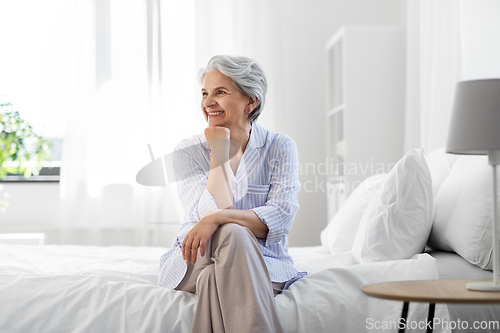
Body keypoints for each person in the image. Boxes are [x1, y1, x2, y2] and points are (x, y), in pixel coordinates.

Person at [159, 55, 304, 333]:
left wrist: (218, 219)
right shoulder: (188, 150)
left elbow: (281, 218)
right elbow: (205, 217)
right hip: (195, 257)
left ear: (251, 101)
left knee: (214, 277)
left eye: (220, 92)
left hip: (263, 262)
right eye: (204, 93)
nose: (207, 102)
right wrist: (219, 156)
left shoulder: (280, 146)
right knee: (233, 233)